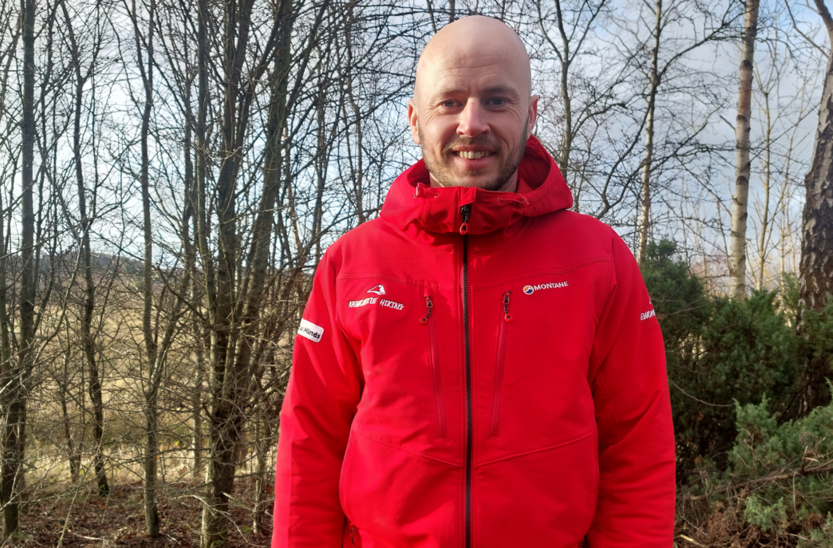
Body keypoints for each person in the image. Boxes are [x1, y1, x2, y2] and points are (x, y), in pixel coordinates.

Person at [272, 15, 675, 548]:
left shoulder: (598, 260)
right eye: (450, 102)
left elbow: (638, 445)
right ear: (415, 120)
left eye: (497, 100)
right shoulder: (352, 263)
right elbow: (310, 440)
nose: (472, 123)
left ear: (530, 115)